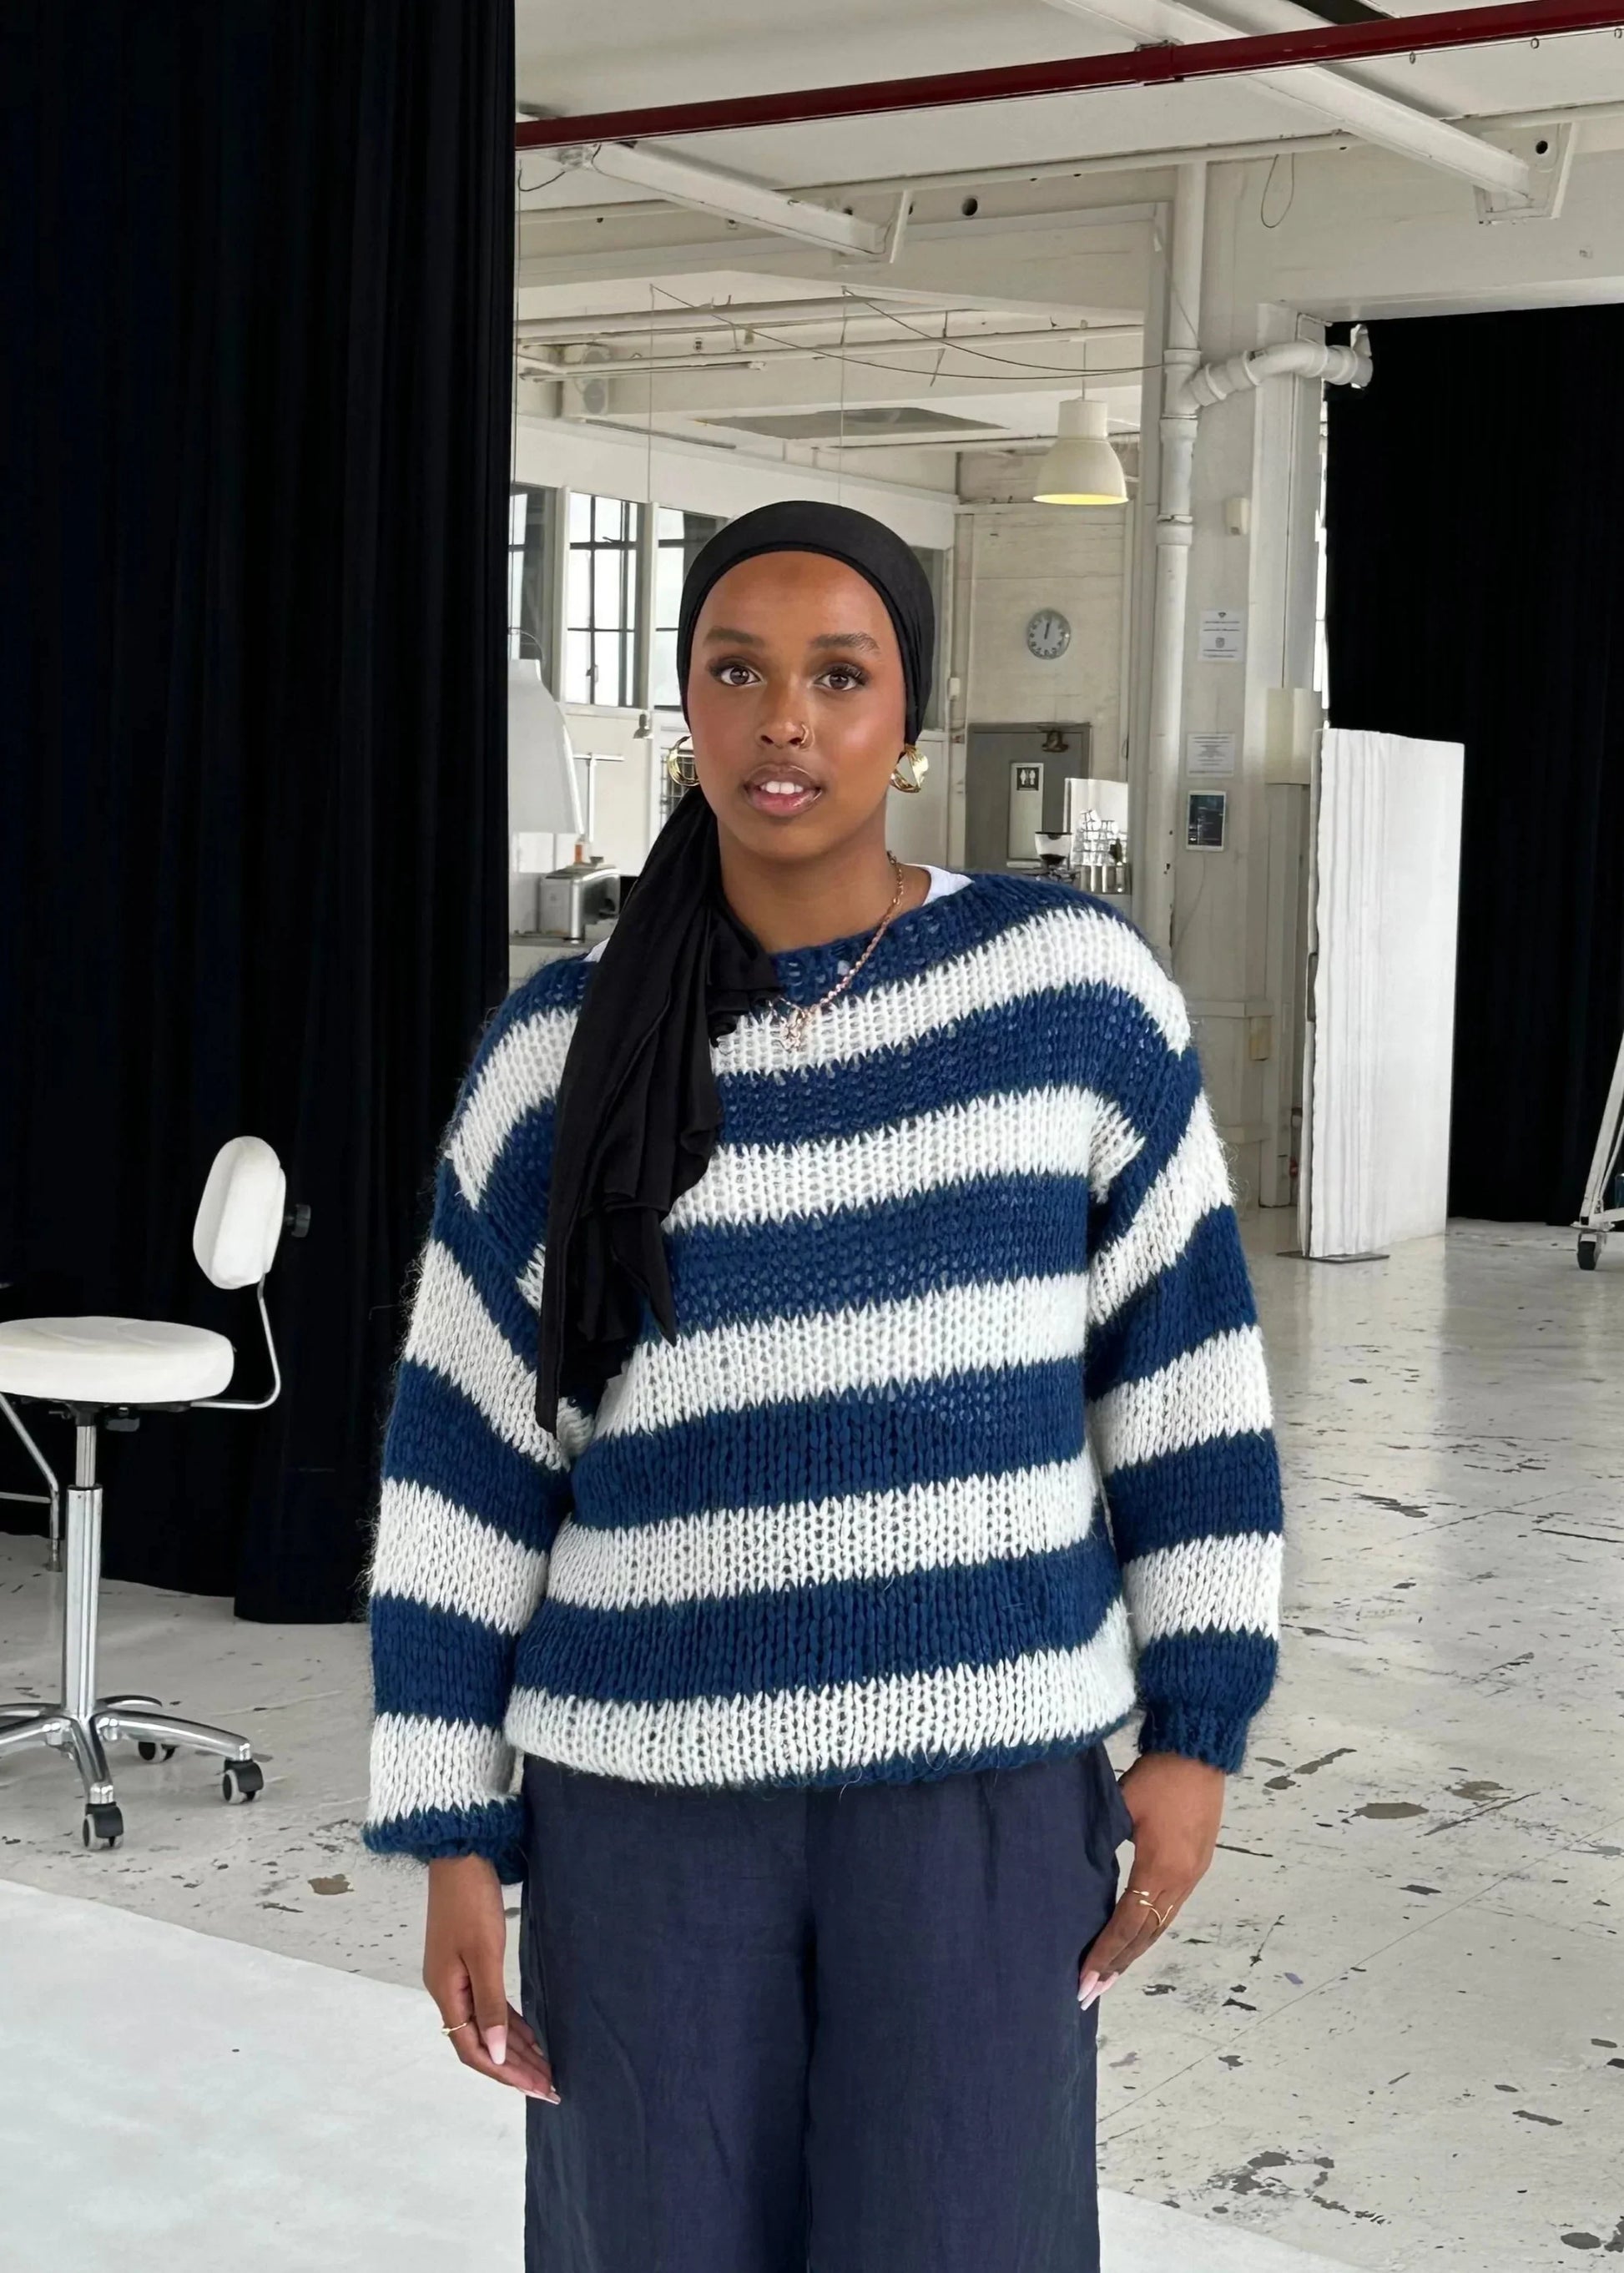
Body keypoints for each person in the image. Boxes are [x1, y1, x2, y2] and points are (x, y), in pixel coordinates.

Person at [362, 498, 1284, 2273]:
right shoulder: (557, 1054)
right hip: (641, 1804)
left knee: (963, 2238)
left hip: (981, 1789)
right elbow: (464, 1462)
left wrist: (1196, 1734)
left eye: (839, 676)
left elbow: (1186, 1392)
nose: (785, 719)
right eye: (738, 670)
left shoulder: (1073, 996)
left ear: (910, 716)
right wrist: (453, 1832)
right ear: (687, 704)